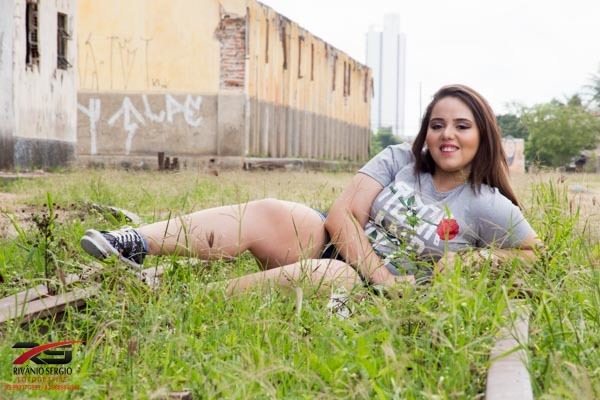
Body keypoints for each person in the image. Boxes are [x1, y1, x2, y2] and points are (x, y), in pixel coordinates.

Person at [80, 84, 542, 296]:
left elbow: (532, 254)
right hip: (342, 250)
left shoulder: (486, 204)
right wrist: (380, 273)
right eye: (437, 124)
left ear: (483, 135)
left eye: (461, 126)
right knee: (276, 210)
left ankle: (182, 300)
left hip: (371, 290)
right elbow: (342, 216)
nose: (447, 135)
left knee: (331, 275)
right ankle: (133, 242)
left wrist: (475, 261)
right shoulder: (401, 158)